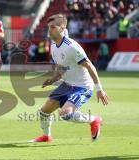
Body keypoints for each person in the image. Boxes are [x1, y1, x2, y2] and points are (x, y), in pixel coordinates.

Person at [30, 14, 108, 142]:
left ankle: (94, 120)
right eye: (48, 27)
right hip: (67, 84)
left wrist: (99, 89)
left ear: (62, 28)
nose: (49, 30)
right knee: (44, 111)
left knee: (65, 113)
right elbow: (62, 68)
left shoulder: (72, 47)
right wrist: (52, 79)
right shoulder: (54, 45)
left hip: (82, 86)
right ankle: (46, 136)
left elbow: (90, 66)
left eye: (53, 27)